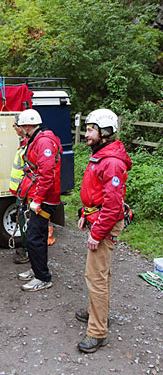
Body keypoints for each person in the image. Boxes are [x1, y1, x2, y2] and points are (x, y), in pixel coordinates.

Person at [77, 108, 132, 353]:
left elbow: (112, 205)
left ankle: (98, 331)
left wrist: (97, 233)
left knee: (95, 277)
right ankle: (96, 312)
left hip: (105, 224)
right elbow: (95, 192)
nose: (86, 134)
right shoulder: (101, 154)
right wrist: (84, 213)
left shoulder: (111, 162)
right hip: (97, 218)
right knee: (102, 273)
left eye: (90, 130)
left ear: (105, 133)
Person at [16, 109, 62, 292]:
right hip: (38, 196)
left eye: (21, 126)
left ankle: (42, 277)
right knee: (36, 235)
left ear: (27, 126)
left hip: (44, 199)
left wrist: (38, 199)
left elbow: (46, 173)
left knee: (35, 237)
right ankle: (37, 269)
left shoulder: (43, 142)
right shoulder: (36, 140)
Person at [9, 114, 29, 264]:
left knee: (26, 223)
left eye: (15, 125)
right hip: (21, 192)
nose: (14, 128)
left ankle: (27, 252)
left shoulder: (30, 145)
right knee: (22, 221)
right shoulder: (25, 143)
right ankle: (26, 249)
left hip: (26, 193)